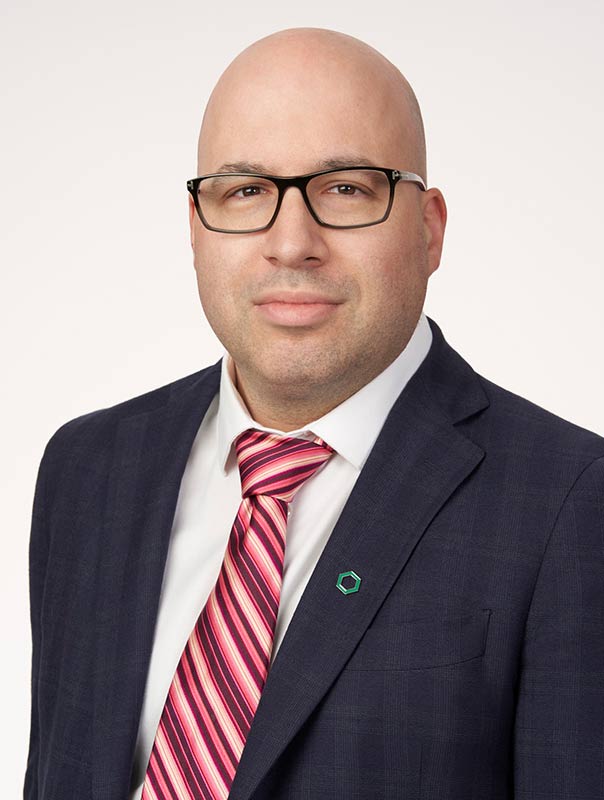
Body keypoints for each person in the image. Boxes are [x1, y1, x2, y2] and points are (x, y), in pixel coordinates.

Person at [24, 26, 604, 800]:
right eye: (245, 192)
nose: (291, 243)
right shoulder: (88, 471)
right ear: (194, 229)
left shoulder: (572, 504)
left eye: (346, 189)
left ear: (429, 229)